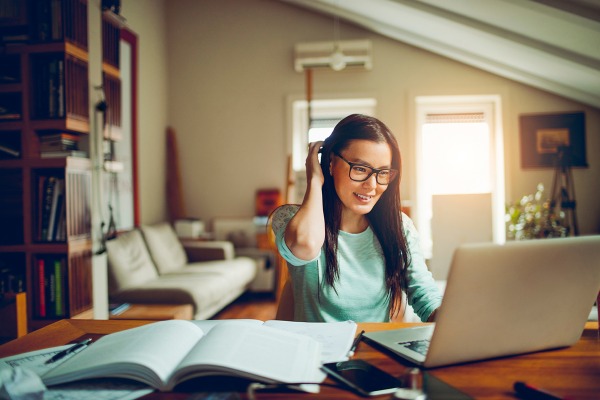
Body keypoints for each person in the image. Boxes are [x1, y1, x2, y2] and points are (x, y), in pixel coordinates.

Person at [271, 113, 442, 322]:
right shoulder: (290, 219)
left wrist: (453, 321)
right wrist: (315, 179)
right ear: (331, 163)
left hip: (373, 350)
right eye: (360, 169)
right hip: (317, 351)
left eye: (383, 173)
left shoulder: (399, 227)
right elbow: (305, 245)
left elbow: (425, 295)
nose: (371, 185)